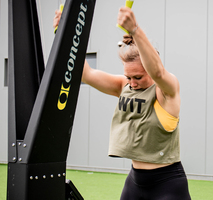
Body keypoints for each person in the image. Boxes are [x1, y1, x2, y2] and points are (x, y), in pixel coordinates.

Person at [54, 6, 191, 200]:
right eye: (129, 76)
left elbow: (158, 73)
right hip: (135, 182)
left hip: (167, 184)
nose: (132, 82)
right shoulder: (123, 85)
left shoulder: (166, 92)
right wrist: (64, 35)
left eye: (138, 77)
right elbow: (86, 73)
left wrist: (134, 29)